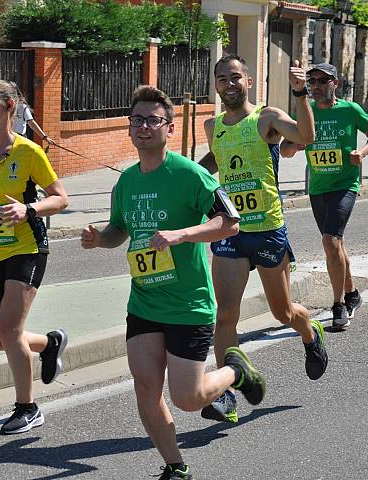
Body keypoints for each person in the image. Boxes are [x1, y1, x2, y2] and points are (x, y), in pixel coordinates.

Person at [81, 85, 266, 480]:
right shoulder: (127, 182)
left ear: (169, 127)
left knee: (187, 398)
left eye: (153, 120)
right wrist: (100, 239)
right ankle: (175, 466)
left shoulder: (191, 174)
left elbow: (229, 223)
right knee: (146, 388)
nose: (143, 127)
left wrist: (182, 234)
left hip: (188, 306)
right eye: (137, 120)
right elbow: (119, 230)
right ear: (129, 128)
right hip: (145, 303)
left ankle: (236, 371)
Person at [198, 54, 328, 425]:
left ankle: (310, 331)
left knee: (282, 313)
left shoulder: (266, 118)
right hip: (232, 231)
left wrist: (300, 92)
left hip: (268, 229)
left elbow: (305, 137)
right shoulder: (213, 126)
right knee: (224, 316)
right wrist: (187, 177)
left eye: (236, 77)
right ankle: (226, 395)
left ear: (248, 82)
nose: (229, 84)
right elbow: (215, 160)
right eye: (222, 78)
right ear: (217, 85)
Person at [0, 79, 69, 434]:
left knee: (9, 328)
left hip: (25, 248)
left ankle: (27, 407)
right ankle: (49, 343)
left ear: (8, 107)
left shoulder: (28, 152)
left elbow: (60, 198)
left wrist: (29, 209)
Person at [280, 63, 368, 329]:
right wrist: (296, 144)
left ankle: (338, 305)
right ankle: (352, 293)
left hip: (346, 183)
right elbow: (284, 150)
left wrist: (363, 153)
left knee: (330, 240)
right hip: (318, 188)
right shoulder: (307, 111)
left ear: (334, 83)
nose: (315, 86)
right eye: (311, 81)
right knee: (336, 244)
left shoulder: (349, 110)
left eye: (322, 81)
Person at [10, 82, 55, 146]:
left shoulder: (22, 107)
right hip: (6, 138)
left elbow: (31, 123)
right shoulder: (1, 107)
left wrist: (45, 137)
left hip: (19, 139)